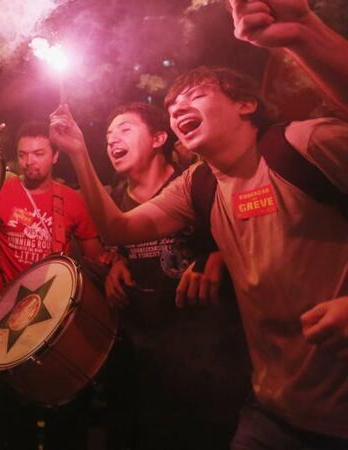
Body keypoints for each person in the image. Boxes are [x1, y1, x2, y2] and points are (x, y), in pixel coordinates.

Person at [47, 1, 348, 447]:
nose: (177, 107)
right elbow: (118, 230)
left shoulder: (302, 146)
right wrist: (76, 151)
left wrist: (304, 31)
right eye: (172, 106)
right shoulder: (198, 184)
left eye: (195, 95)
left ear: (246, 104)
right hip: (270, 412)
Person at [102, 102, 250, 449]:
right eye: (108, 134)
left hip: (206, 356)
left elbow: (246, 234)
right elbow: (113, 245)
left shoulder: (194, 186)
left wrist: (220, 254)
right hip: (142, 355)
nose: (112, 140)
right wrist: (113, 264)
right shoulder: (113, 201)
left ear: (158, 137)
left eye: (124, 129)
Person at [0, 120, 103, 449]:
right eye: (23, 155)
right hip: (5, 319)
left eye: (39, 153)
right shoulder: (2, 191)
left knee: (61, 412)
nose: (30, 162)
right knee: (8, 418)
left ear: (55, 156)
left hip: (53, 320)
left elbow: (96, 259)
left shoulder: (72, 200)